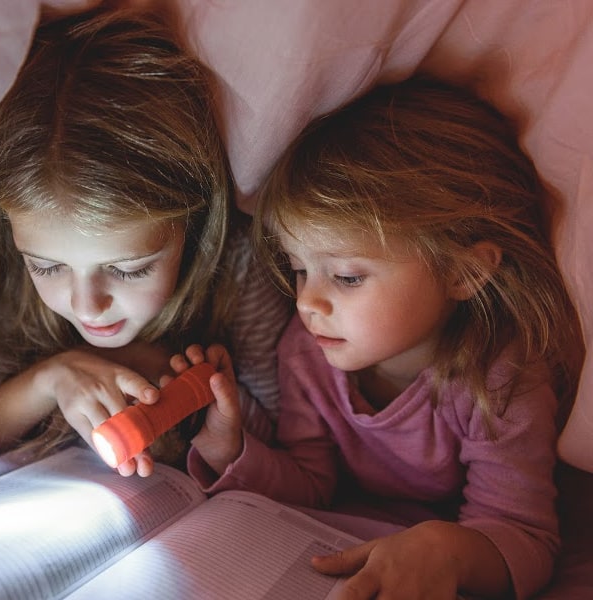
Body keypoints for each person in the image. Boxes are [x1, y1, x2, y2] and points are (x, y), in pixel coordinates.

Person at [179, 77, 584, 599]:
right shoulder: (307, 352)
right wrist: (230, 448)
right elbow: (313, 484)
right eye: (299, 269)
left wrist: (445, 550)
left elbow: (523, 537)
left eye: (347, 277)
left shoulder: (500, 377)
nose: (305, 302)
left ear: (463, 273)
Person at [0, 5, 290, 477]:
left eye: (129, 269)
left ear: (190, 224)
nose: (88, 307)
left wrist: (202, 402)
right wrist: (52, 378)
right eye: (47, 267)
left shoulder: (238, 269)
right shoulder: (7, 281)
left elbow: (278, 428)